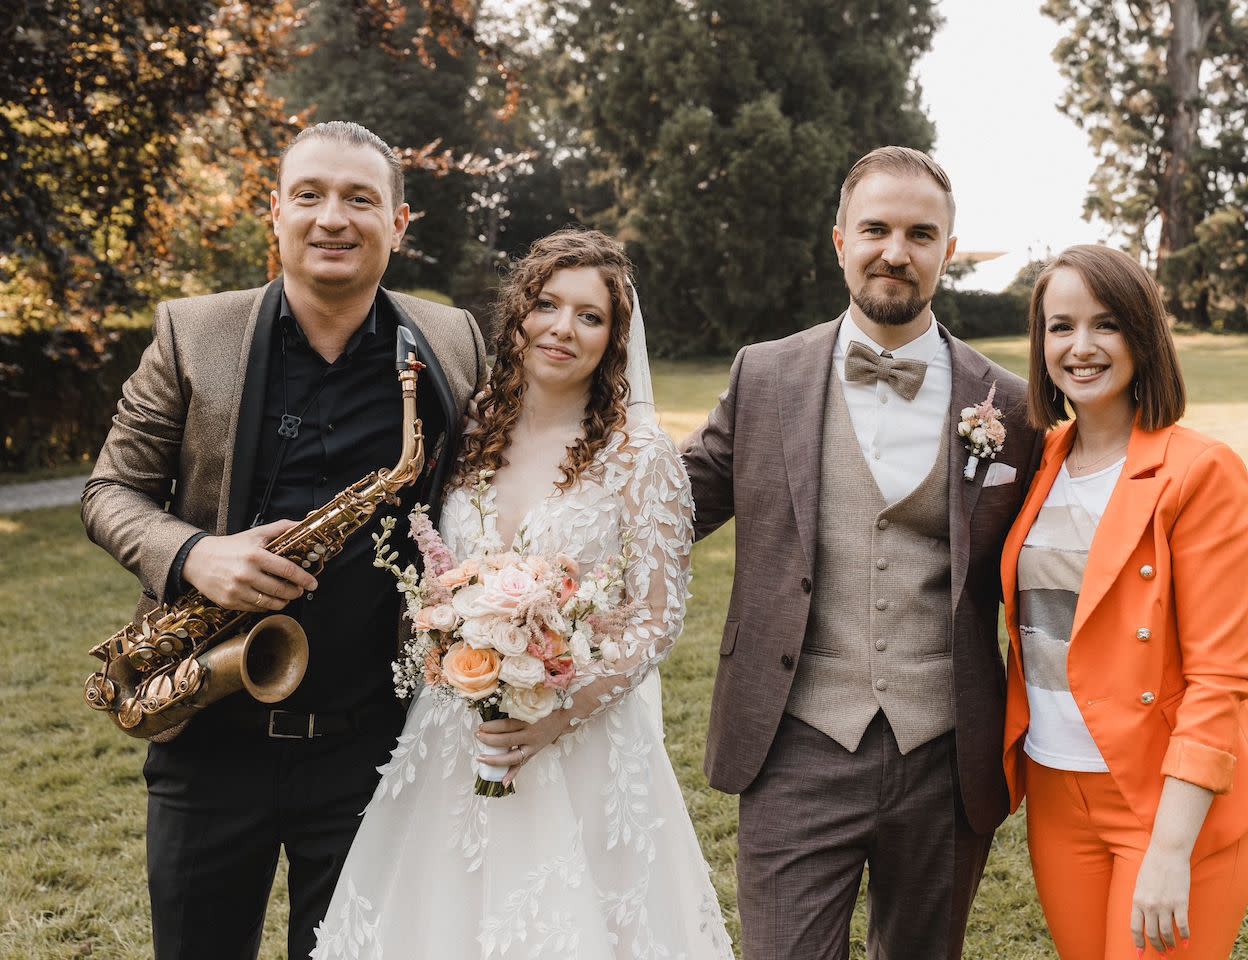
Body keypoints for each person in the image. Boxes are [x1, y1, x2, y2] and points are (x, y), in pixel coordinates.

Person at [82, 121, 487, 960]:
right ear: (276, 213)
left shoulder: (452, 342)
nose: (332, 218)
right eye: (309, 195)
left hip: (373, 745)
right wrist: (195, 555)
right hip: (208, 729)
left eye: (359, 199)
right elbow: (109, 490)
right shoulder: (192, 334)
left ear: (399, 224)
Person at [311, 229, 733, 960]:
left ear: (614, 339)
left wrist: (555, 714)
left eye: (590, 316)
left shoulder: (640, 457)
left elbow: (656, 620)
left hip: (580, 742)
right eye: (547, 305)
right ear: (518, 315)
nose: (563, 328)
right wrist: (450, 636)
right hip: (453, 735)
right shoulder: (470, 429)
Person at [682, 146, 1045, 959]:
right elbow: (672, 507)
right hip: (794, 742)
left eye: (921, 234)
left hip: (947, 751)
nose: (896, 252)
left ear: (948, 252)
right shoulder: (766, 376)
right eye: (876, 229)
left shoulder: (1012, 406)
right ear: (840, 240)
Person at [1000, 244, 1248, 958]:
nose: (1081, 347)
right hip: (1055, 788)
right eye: (1061, 327)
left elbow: (1220, 679)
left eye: (1106, 324)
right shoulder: (1040, 460)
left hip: (1163, 798)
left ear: (1143, 336)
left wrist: (1170, 847)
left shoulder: (1200, 471)